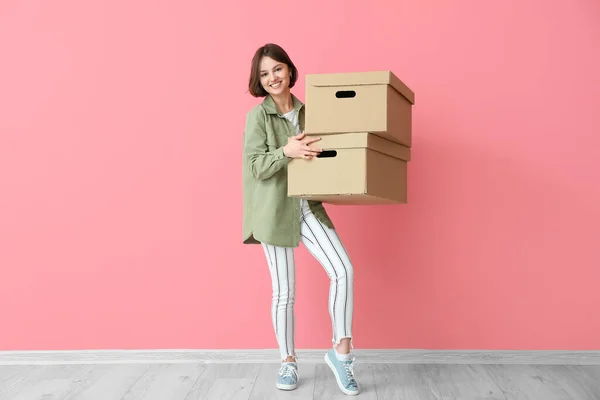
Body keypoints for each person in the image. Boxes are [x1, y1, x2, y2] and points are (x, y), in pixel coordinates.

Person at [242, 43, 360, 396]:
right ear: (259, 81)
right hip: (274, 211)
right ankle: (288, 362)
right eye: (264, 74)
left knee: (343, 270)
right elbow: (254, 166)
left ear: (290, 71)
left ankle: (342, 354)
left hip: (308, 207)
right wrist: (286, 151)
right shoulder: (258, 117)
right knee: (285, 292)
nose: (272, 78)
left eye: (277, 69)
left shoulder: (311, 113)